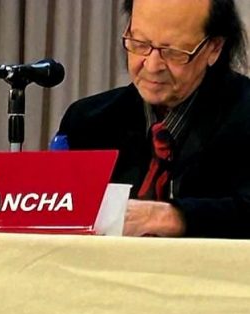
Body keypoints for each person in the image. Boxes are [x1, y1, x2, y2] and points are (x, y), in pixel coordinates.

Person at [58, 0, 250, 238]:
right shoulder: (87, 121)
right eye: (140, 44)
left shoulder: (243, 114)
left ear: (214, 47)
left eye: (173, 52)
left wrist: (174, 218)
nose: (151, 65)